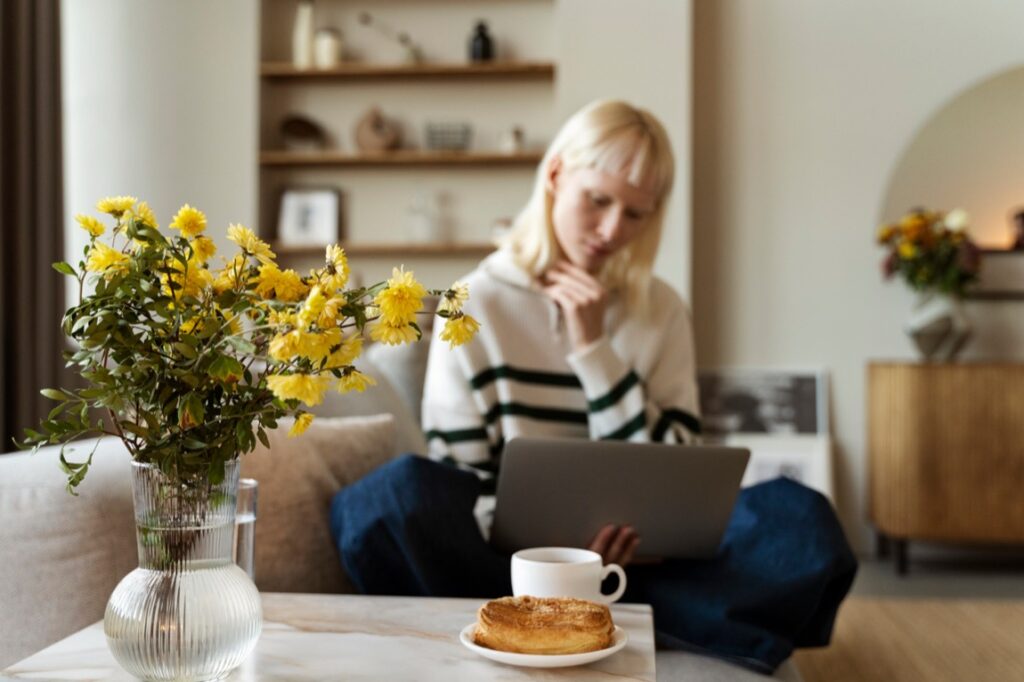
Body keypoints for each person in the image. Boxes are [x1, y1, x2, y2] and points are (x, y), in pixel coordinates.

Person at [330, 100, 856, 674]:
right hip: (508, 573)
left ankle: (591, 621)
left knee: (799, 519)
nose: (612, 230)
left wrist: (594, 351)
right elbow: (462, 479)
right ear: (556, 175)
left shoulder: (662, 311)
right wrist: (560, 557)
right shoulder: (474, 302)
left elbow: (678, 469)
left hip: (645, 570)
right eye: (598, 201)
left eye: (635, 214)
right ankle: (630, 625)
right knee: (388, 498)